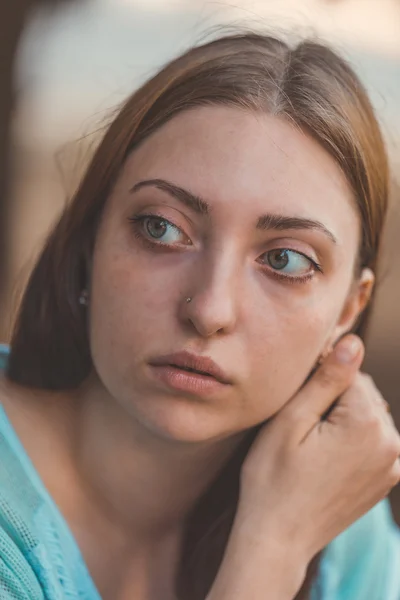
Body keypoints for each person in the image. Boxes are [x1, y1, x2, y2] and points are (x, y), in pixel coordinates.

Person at [0, 31, 399, 600]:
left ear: (347, 313)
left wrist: (289, 529)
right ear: (89, 242)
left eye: (285, 260)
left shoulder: (334, 515)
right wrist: (272, 549)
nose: (209, 310)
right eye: (161, 228)